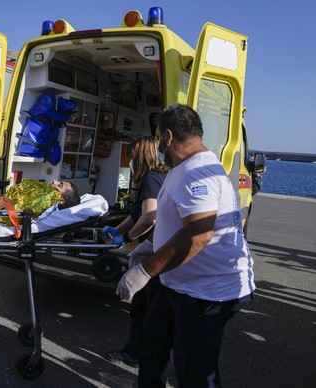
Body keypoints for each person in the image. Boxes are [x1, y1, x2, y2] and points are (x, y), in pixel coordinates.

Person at [117, 104, 255, 387]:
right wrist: (152, 245)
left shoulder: (196, 173)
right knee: (153, 345)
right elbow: (177, 220)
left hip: (205, 292)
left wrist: (145, 271)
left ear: (167, 138)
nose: (157, 145)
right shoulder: (184, 167)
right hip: (178, 283)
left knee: (193, 368)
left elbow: (198, 234)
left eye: (158, 139)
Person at [102, 136, 167, 367]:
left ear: (139, 157)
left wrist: (127, 238)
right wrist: (115, 231)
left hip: (153, 251)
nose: (129, 161)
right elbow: (136, 213)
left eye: (131, 156)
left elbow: (150, 215)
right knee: (146, 306)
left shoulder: (150, 179)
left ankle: (136, 354)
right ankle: (142, 353)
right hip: (156, 249)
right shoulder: (156, 177)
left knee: (142, 307)